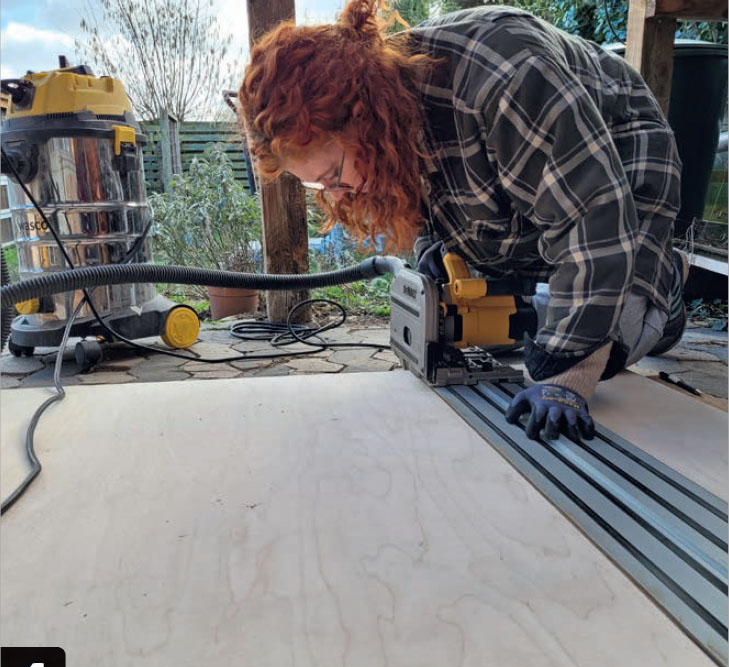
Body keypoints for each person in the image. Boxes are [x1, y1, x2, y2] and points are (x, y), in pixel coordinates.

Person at [238, 0, 688, 442]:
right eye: (318, 185)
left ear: (362, 120)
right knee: (492, 327)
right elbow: (424, 192)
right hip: (528, 168)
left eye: (333, 175)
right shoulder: (390, 112)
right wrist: (437, 248)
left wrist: (565, 374)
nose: (337, 194)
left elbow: (591, 218)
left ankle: (658, 297)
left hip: (619, 160)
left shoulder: (506, 77)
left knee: (599, 351)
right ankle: (571, 302)